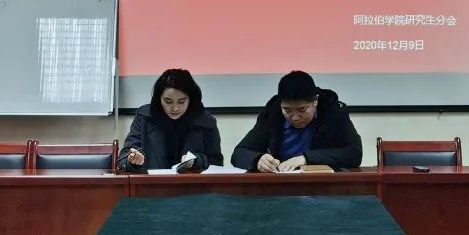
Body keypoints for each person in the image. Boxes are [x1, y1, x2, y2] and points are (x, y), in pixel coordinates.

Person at [231, 70, 362, 172]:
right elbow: (239, 154)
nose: (295, 117)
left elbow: (354, 153)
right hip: (281, 186)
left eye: (302, 110)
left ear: (315, 101)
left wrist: (307, 159)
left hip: (324, 186)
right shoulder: (272, 114)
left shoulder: (333, 113)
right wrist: (257, 159)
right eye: (287, 110)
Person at [117, 68, 223, 171]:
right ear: (159, 99)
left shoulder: (205, 121)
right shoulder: (145, 117)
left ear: (191, 99)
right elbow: (123, 157)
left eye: (181, 102)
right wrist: (132, 160)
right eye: (168, 101)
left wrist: (197, 161)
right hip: (153, 182)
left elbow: (216, 163)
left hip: (193, 183)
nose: (175, 108)